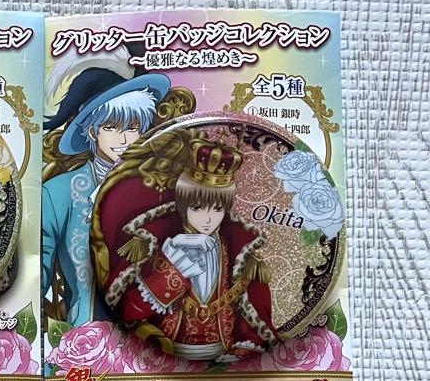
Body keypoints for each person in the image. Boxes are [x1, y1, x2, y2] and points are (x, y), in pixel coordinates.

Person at [104, 139, 276, 361]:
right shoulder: (155, 246)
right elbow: (127, 312)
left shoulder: (241, 255)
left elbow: (256, 322)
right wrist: (170, 272)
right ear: (183, 205)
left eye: (218, 208)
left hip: (223, 358)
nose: (208, 218)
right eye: (197, 207)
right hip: (163, 357)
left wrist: (240, 353)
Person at [42, 55, 169, 326]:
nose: (124, 139)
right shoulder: (58, 192)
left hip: (158, 328)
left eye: (133, 128)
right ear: (92, 132)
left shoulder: (159, 188)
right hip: (88, 331)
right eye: (111, 127)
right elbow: (38, 270)